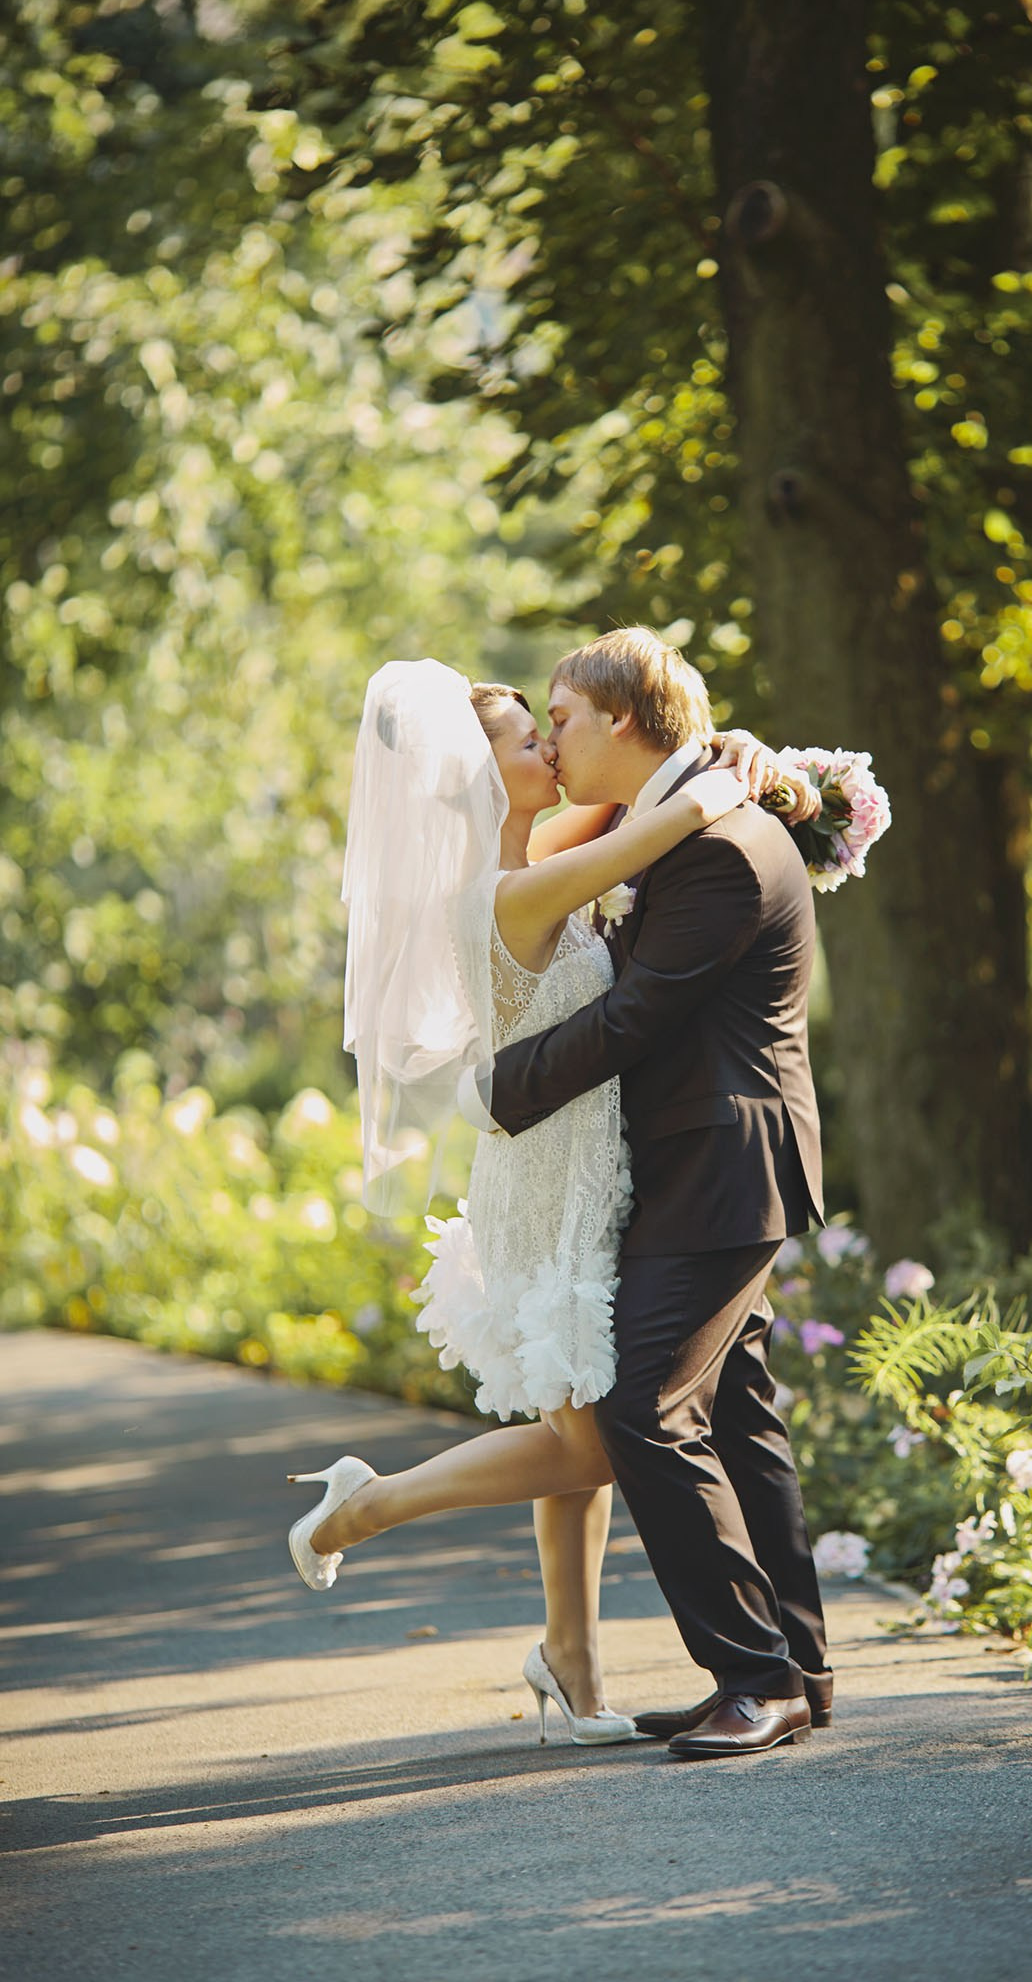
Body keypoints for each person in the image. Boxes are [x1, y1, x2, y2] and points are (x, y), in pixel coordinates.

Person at [287, 654, 809, 1747]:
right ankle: (367, 1502)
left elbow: (642, 808)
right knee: (596, 1436)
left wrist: (740, 759)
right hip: (548, 1167)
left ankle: (572, 1657)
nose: (549, 749)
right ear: (478, 783)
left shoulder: (536, 852)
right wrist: (723, 774)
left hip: (587, 1160)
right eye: (529, 739)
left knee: (580, 1411)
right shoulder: (512, 885)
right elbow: (653, 828)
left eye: (550, 725)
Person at [462, 628, 832, 1761]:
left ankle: (754, 1674)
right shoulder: (665, 823)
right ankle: (796, 1671)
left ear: (622, 720)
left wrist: (494, 1089)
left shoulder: (715, 841)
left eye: (562, 716)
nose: (552, 736)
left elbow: (635, 1020)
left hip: (723, 1159)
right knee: (733, 1412)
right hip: (696, 1161)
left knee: (641, 1406)